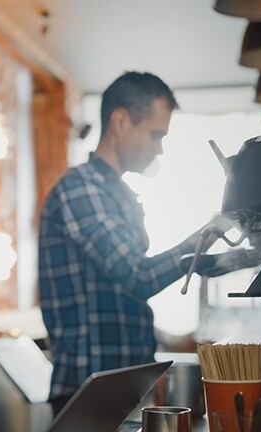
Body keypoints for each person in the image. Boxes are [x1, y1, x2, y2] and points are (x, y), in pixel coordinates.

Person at [38, 71, 223, 415]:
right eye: (155, 135)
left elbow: (115, 300)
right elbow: (137, 277)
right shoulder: (81, 188)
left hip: (124, 386)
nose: (159, 148)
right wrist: (206, 236)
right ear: (120, 121)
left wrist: (167, 337)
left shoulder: (119, 195)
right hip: (87, 391)